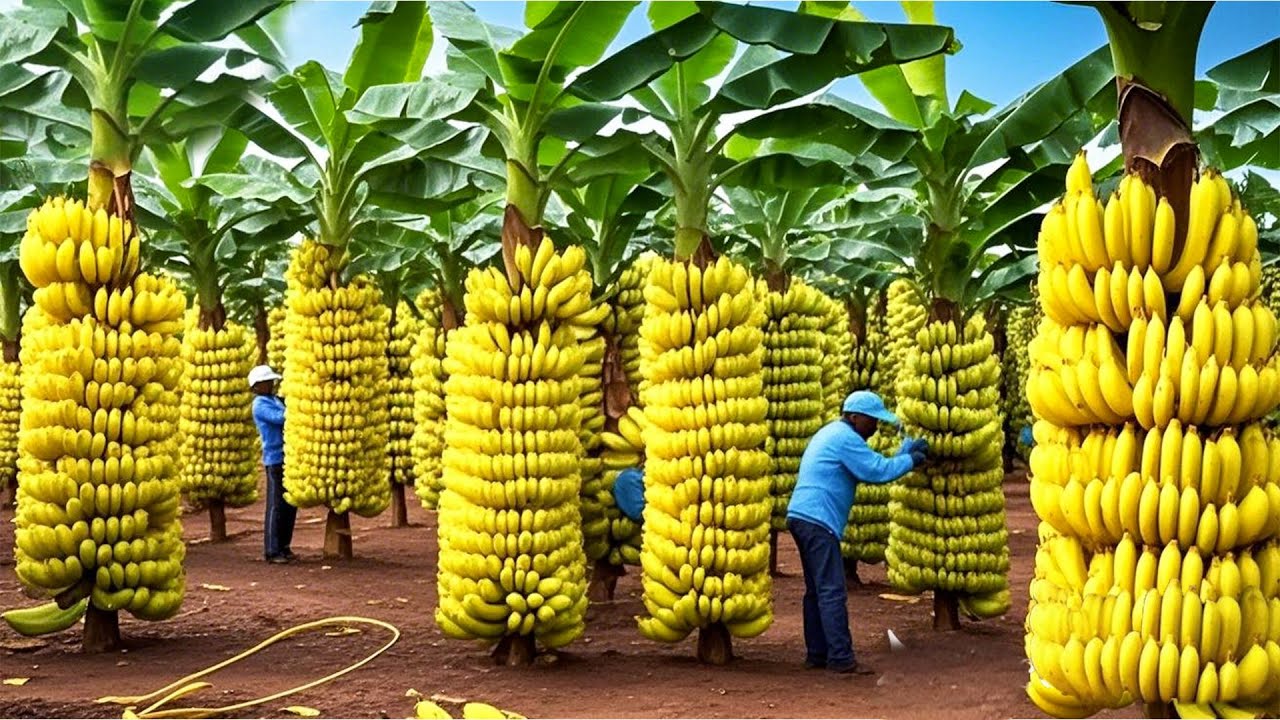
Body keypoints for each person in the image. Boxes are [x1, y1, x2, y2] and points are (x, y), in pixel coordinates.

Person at [786, 390, 927, 675]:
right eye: (872, 420)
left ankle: (817, 654)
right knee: (832, 590)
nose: (875, 427)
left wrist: (902, 454)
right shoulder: (845, 438)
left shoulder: (833, 433)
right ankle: (840, 658)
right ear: (854, 417)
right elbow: (876, 471)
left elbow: (874, 465)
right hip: (818, 520)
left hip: (801, 516)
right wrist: (912, 460)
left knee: (816, 591)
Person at [249, 365, 295, 564]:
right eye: (266, 382)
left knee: (289, 505)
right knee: (276, 505)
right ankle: (272, 550)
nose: (270, 385)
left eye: (270, 381)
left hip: (288, 457)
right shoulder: (260, 404)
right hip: (274, 458)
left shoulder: (274, 399)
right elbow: (281, 418)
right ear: (257, 386)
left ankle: (284, 546)